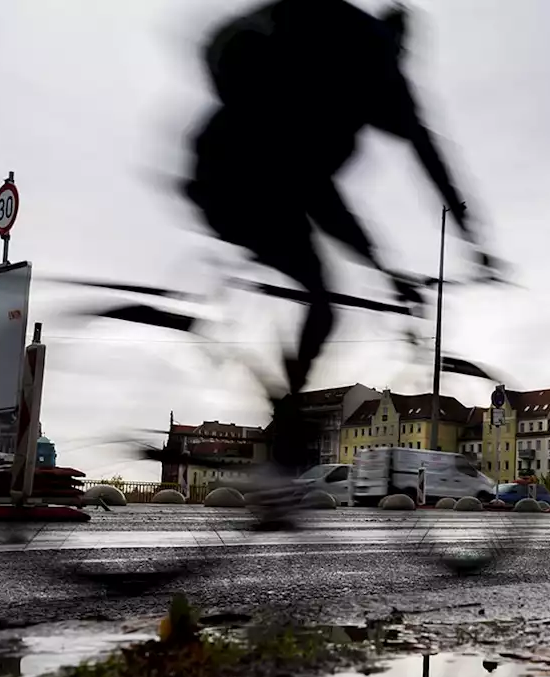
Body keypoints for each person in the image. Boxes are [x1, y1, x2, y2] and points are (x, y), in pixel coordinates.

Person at [183, 0, 498, 483]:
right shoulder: (360, 73)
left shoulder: (338, 63)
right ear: (398, 47)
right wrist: (471, 241)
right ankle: (285, 436)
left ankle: (285, 418)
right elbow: (424, 160)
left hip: (234, 166)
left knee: (318, 285)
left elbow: (328, 192)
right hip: (249, 174)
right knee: (323, 299)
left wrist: (385, 264)